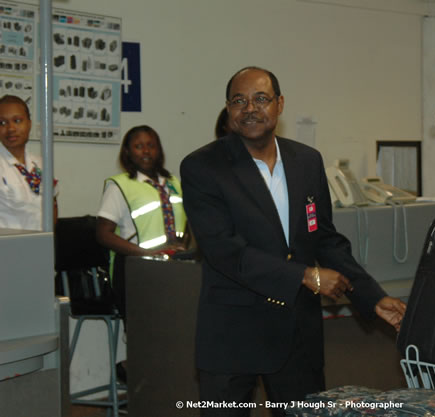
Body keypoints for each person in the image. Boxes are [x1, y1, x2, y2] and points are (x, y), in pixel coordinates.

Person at [180, 67, 406, 417]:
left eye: (261, 99)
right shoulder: (202, 167)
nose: (250, 108)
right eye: (239, 101)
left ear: (280, 104)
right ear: (227, 109)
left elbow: (326, 241)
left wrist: (371, 296)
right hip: (232, 334)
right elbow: (224, 250)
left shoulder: (307, 162)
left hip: (297, 335)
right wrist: (305, 276)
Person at [96, 125, 187, 317]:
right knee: (144, 333)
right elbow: (103, 234)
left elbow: (187, 224)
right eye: (138, 146)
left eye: (151, 145)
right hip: (136, 266)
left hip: (174, 267)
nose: (146, 151)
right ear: (127, 152)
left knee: (176, 329)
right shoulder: (120, 186)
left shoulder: (174, 182)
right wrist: (146, 253)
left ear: (159, 150)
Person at [0, 94, 57, 230]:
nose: (11, 128)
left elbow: (53, 204)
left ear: (29, 123)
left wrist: (46, 237)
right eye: (2, 123)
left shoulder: (42, 164)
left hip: (39, 245)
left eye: (17, 120)